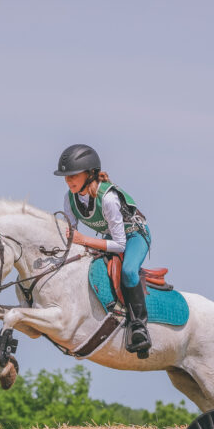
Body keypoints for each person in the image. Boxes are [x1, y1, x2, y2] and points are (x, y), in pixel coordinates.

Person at [54, 144, 152, 356]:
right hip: (111, 237)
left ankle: (139, 327)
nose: (69, 180)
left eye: (73, 175)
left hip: (134, 235)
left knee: (128, 271)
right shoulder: (70, 198)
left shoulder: (108, 198)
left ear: (90, 174)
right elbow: (72, 236)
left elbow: (120, 245)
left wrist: (85, 240)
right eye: (66, 176)